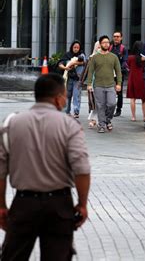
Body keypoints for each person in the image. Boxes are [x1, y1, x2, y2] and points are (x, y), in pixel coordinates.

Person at [0, 73, 91, 259]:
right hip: (59, 205)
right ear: (58, 98)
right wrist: (82, 204)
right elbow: (81, 169)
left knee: (13, 256)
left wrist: (1, 205)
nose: (65, 100)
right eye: (65, 96)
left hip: (24, 204)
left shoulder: (12, 123)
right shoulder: (69, 126)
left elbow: (0, 172)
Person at [86, 35, 122, 133]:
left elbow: (118, 71)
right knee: (100, 106)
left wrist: (119, 83)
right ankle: (101, 125)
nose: (106, 44)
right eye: (104, 42)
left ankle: (107, 120)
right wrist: (89, 84)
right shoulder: (95, 57)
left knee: (112, 104)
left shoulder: (113, 57)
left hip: (111, 85)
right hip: (98, 85)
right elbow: (91, 71)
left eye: (107, 42)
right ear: (100, 44)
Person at [59, 40, 86, 118]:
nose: (76, 49)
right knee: (68, 95)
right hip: (69, 78)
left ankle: (76, 111)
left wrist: (73, 63)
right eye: (74, 47)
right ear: (72, 47)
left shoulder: (82, 55)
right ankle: (67, 111)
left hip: (78, 78)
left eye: (78, 47)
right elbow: (60, 63)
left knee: (76, 94)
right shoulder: (67, 55)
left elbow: (84, 62)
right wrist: (65, 67)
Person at [127, 41, 145, 121]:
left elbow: (128, 66)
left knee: (132, 98)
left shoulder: (130, 58)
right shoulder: (144, 58)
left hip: (132, 78)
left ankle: (133, 116)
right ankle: (144, 116)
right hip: (142, 79)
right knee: (144, 99)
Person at [110, 31, 128, 117]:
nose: (116, 38)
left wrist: (119, 70)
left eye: (118, 36)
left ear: (121, 38)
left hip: (119, 72)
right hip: (109, 72)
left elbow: (125, 61)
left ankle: (118, 109)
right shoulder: (109, 47)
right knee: (109, 90)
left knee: (119, 92)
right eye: (114, 36)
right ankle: (110, 108)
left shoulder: (123, 48)